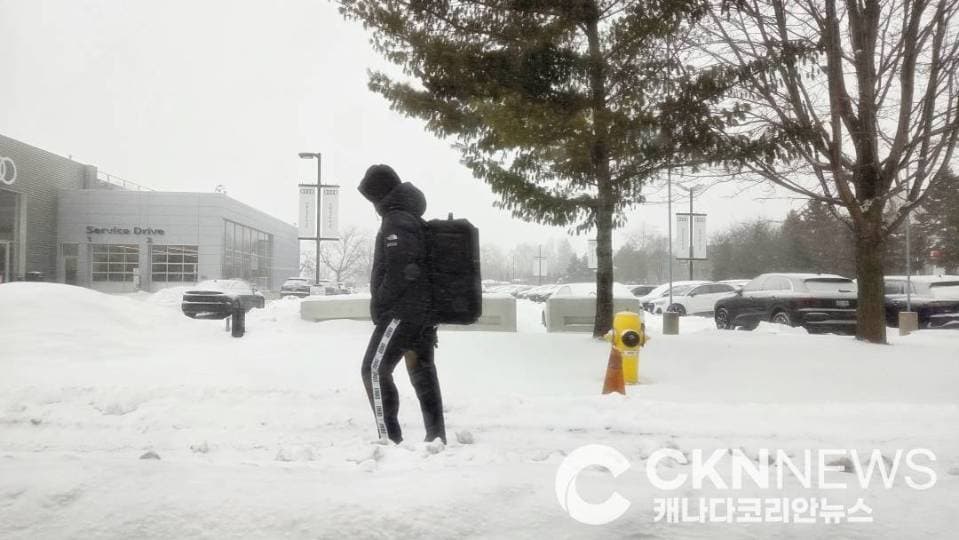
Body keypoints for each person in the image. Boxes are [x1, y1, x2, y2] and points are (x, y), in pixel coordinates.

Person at [357, 164, 446, 445]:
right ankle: (436, 437)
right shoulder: (409, 217)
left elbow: (402, 270)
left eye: (372, 198)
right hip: (421, 313)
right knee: (422, 372)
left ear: (380, 194)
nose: (372, 206)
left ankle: (390, 440)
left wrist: (382, 302)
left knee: (373, 370)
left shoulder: (395, 221)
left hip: (401, 313)